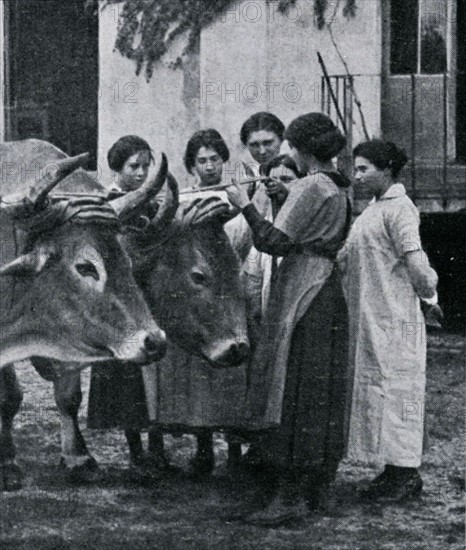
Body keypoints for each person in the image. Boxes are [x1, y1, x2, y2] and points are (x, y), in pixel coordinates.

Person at [226, 112, 352, 526]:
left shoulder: (311, 185)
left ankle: (288, 496)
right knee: (320, 391)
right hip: (327, 291)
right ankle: (316, 489)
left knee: (293, 390)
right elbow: (310, 224)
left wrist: (244, 204)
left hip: (304, 293)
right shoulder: (335, 185)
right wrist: (284, 197)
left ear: (298, 149)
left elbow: (273, 241)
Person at [338, 140, 441, 501]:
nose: (357, 175)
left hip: (398, 318)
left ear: (387, 169)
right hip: (373, 314)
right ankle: (391, 469)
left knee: (402, 392)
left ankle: (407, 473)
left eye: (364, 168)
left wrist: (430, 297)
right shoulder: (374, 209)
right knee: (380, 390)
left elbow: (419, 268)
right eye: (356, 168)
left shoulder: (401, 210)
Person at [146, 129, 249, 478]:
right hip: (200, 299)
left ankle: (235, 450)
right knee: (199, 381)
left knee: (234, 377)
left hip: (231, 292)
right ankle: (204, 447)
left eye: (215, 159)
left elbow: (245, 241)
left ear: (224, 161)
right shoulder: (184, 201)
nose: (209, 166)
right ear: (191, 165)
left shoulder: (237, 197)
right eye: (202, 160)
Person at [87, 135, 159, 470]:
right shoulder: (107, 202)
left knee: (153, 374)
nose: (142, 173)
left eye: (146, 166)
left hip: (147, 289)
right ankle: (136, 452)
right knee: (130, 376)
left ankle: (155, 447)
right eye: (134, 166)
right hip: (121, 295)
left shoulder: (146, 199)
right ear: (117, 168)